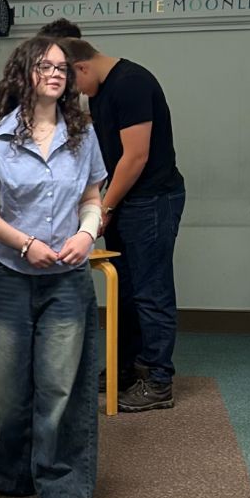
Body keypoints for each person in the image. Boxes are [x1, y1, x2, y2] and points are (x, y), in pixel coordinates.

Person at [0, 35, 107, 498]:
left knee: (60, 386)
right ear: (24, 72)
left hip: (67, 280)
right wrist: (24, 244)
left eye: (62, 67)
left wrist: (87, 234)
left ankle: (62, 486)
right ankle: (10, 470)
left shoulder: (82, 134)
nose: (56, 73)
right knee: (6, 387)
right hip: (11, 275)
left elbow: (93, 198)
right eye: (45, 66)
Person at [64, 36, 186, 410]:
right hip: (125, 201)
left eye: (71, 84)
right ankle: (127, 369)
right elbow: (107, 155)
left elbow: (135, 157)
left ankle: (158, 380)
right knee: (126, 290)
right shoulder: (100, 91)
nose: (74, 94)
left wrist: (105, 207)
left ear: (81, 67)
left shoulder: (131, 83)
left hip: (152, 199)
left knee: (151, 290)